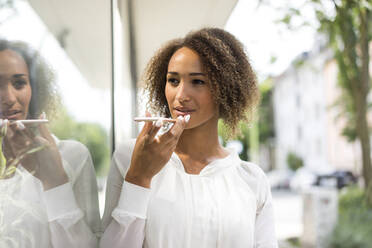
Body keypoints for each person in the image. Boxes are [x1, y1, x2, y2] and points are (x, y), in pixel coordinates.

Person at [101, 27, 278, 248]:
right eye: (173, 81)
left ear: (226, 90)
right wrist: (139, 177)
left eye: (198, 82)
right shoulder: (131, 157)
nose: (181, 95)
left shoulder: (252, 180)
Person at [0, 39, 100, 247]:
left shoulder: (73, 156)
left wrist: (55, 182)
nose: (9, 97)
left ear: (35, 89)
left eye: (19, 83)